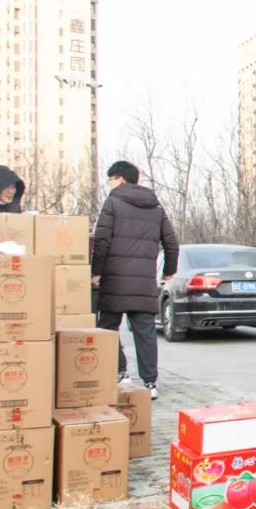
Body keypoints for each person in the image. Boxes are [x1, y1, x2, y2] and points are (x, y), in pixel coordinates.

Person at [92, 161, 179, 400]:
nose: (110, 184)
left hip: (114, 281)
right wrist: (168, 271)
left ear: (120, 179)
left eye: (111, 179)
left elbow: (101, 241)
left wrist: (96, 272)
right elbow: (172, 243)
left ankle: (120, 373)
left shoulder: (112, 202)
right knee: (146, 333)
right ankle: (150, 383)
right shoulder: (156, 208)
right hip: (143, 283)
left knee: (108, 329)